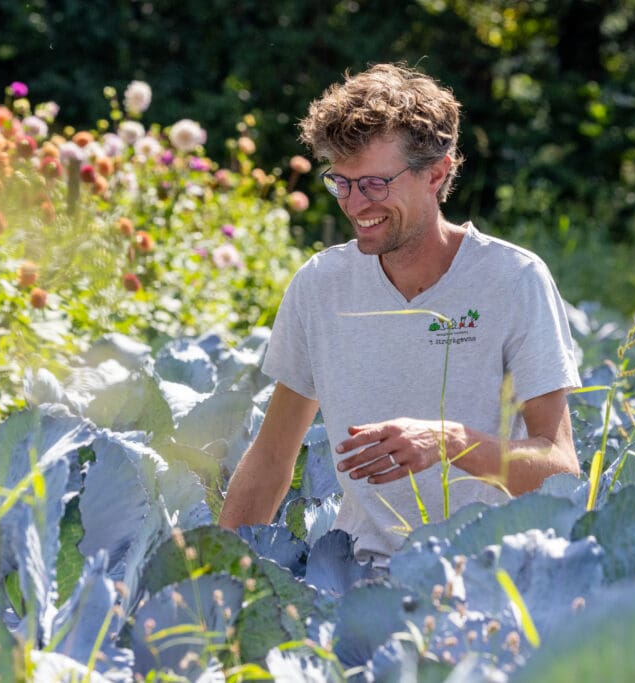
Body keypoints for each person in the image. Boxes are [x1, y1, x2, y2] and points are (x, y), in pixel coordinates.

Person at [219, 63, 581, 565]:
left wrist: (450, 441)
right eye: (339, 183)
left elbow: (560, 470)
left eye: (372, 183)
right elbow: (271, 459)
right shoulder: (320, 286)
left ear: (436, 173)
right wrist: (212, 579)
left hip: (489, 579)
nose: (354, 204)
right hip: (355, 578)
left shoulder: (514, 280)